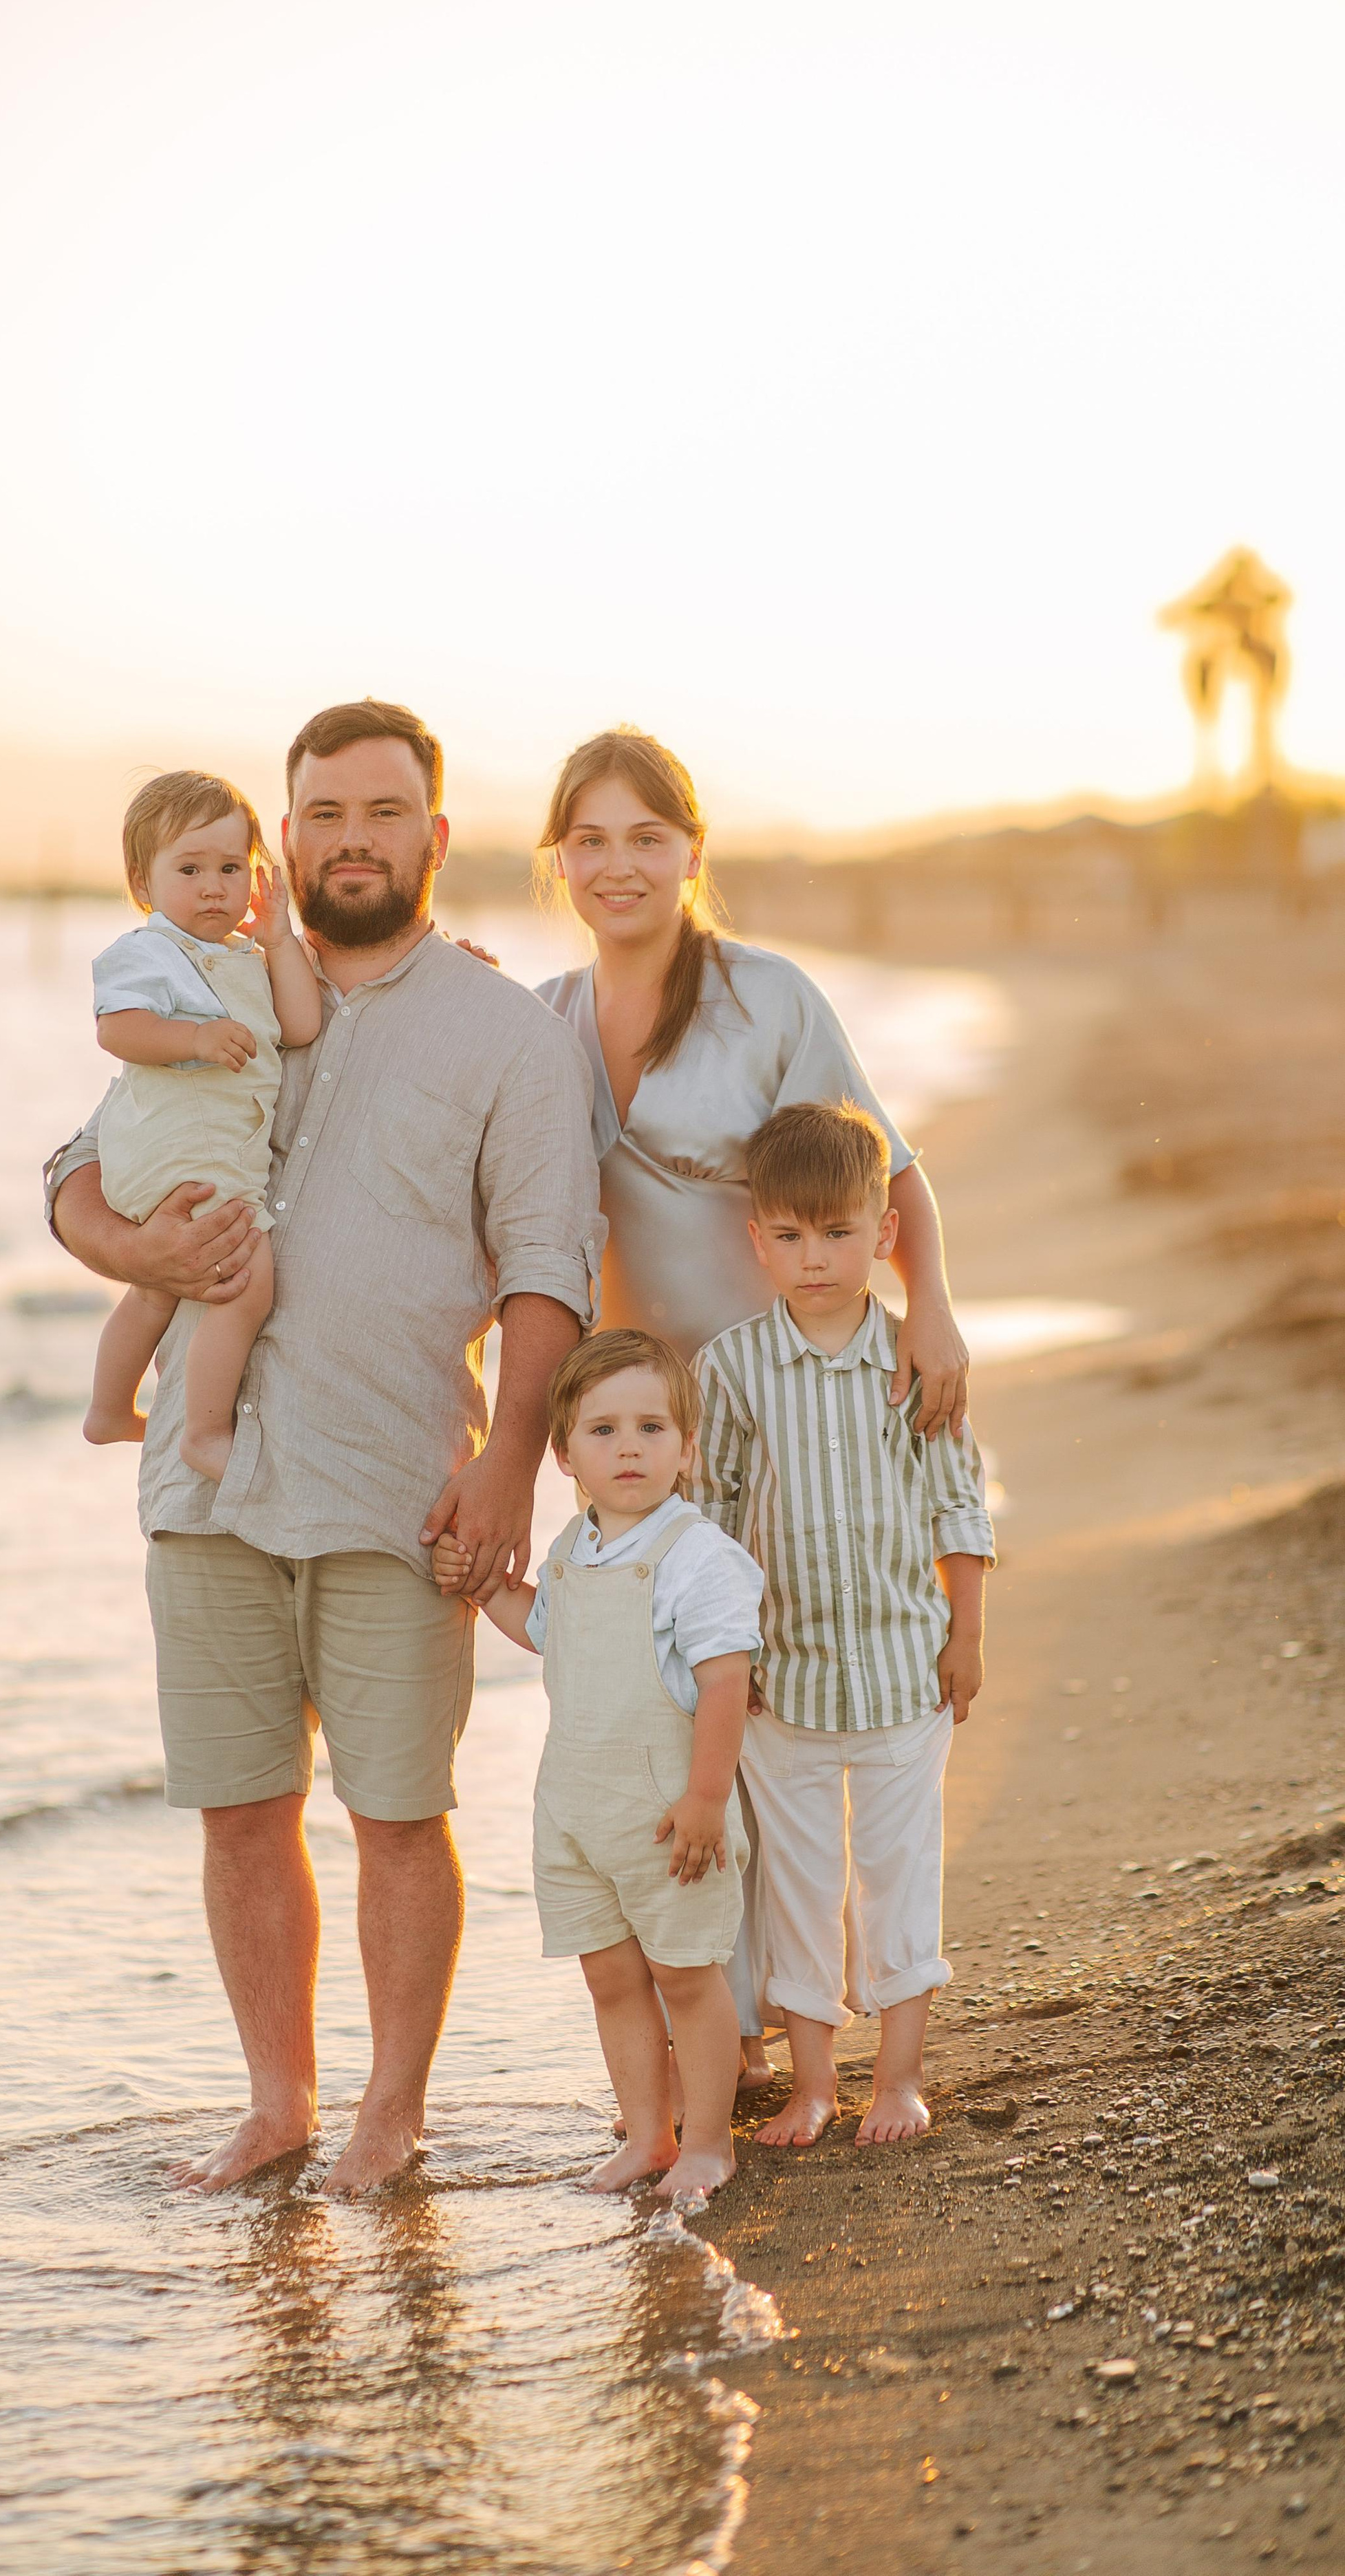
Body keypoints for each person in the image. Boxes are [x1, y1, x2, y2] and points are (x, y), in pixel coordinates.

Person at [44, 697, 603, 2195]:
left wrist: (508, 1475)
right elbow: (80, 1162)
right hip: (206, 1480)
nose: (353, 840)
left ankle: (391, 2109)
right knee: (237, 1810)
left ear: (433, 832)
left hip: (396, 1478)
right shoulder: (206, 975)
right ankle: (278, 2100)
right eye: (324, 816)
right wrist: (112, 1240)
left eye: (383, 813)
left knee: (399, 1815)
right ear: (283, 839)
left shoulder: (503, 1032)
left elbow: (550, 1270)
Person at [534, 724, 972, 2090]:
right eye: (589, 841)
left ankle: (798, 2033)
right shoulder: (539, 1020)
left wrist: (937, 1305)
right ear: (557, 859)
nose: (618, 866)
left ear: (689, 852)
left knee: (766, 1711)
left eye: (644, 838)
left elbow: (882, 1173)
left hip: (784, 1415)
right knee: (667, 1715)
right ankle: (705, 2021)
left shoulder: (764, 999)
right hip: (636, 1438)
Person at [693, 1101, 993, 2145]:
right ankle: (817, 2085)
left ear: (884, 1233)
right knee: (800, 1882)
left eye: (836, 1233)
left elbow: (957, 1499)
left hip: (907, 1668)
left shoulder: (917, 1360)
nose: (813, 1258)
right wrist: (724, 1664)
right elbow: (717, 1525)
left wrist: (968, 1632)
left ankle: (901, 2076)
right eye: (788, 1236)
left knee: (903, 1870)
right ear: (756, 1240)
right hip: (786, 1685)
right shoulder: (729, 1369)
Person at [433, 1330, 764, 2200]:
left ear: (687, 1449)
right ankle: (647, 2137)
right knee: (612, 1978)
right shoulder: (575, 1547)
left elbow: (726, 1684)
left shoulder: (699, 1558)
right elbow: (544, 1629)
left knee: (686, 1979)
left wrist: (705, 1798)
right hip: (576, 1811)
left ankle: (707, 2144)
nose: (629, 1447)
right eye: (604, 1430)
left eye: (653, 1428)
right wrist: (480, 1584)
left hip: (668, 1814)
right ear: (565, 1454)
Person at [83, 770, 323, 1473]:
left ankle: (108, 1409)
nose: (214, 887)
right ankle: (203, 1430)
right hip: (175, 1153)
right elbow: (117, 1030)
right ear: (142, 881)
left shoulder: (249, 957)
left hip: (203, 1159)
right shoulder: (150, 951)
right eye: (189, 869)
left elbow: (301, 1027)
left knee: (159, 1286)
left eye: (231, 868)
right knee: (246, 1278)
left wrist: (280, 940)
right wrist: (192, 1039)